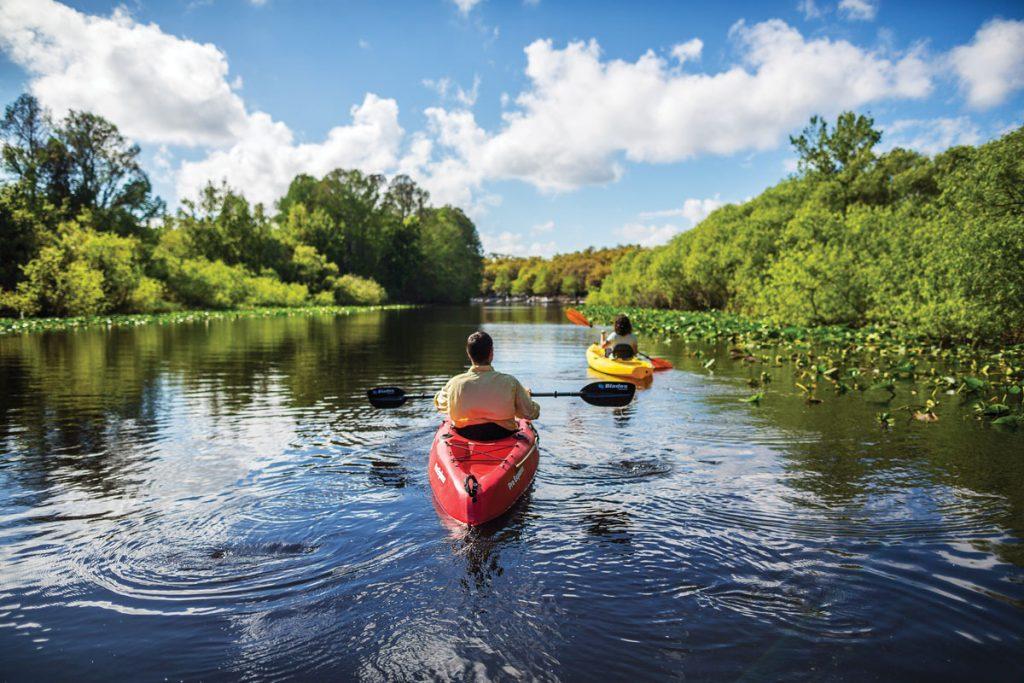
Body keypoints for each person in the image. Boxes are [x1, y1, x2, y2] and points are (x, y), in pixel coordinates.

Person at [434, 330, 540, 441]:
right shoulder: (510, 382)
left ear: (468, 353)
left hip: (465, 435)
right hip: (502, 435)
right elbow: (530, 413)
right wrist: (526, 397)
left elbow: (440, 404)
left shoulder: (454, 383)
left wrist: (438, 396)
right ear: (491, 353)